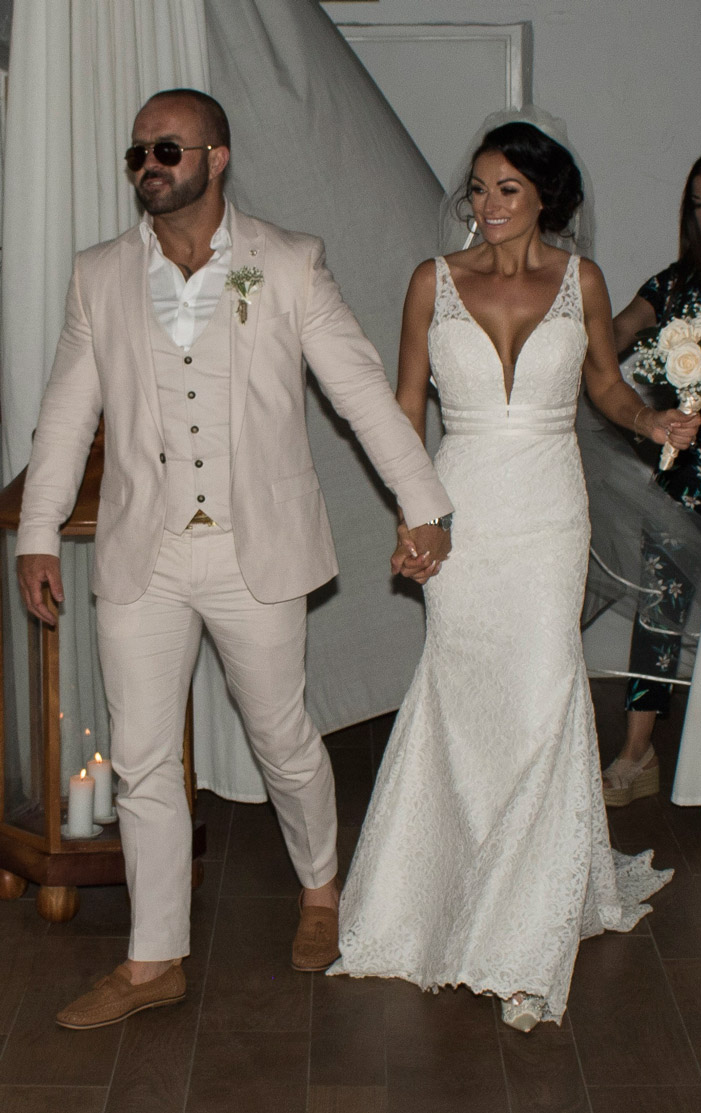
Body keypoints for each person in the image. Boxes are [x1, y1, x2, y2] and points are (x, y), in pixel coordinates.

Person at [15, 88, 453, 1029]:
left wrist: (424, 506)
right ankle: (152, 957)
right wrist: (38, 532)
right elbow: (65, 414)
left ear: (217, 156)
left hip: (256, 546)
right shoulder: (99, 275)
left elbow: (363, 394)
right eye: (136, 155)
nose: (149, 168)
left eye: (166, 149)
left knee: (281, 739)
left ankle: (321, 888)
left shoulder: (288, 264)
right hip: (146, 548)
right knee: (139, 761)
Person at [329, 118, 699, 1031]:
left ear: (546, 199)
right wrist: (417, 515)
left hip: (545, 513)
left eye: (507, 191)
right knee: (461, 689)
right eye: (480, 188)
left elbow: (604, 387)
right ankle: (445, 879)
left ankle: (523, 911)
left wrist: (650, 424)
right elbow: (404, 409)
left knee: (541, 691)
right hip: (462, 506)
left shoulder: (581, 281)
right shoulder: (432, 281)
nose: (486, 206)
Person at [601, 148, 701, 807]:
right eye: (696, 203)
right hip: (684, 475)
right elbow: (619, 328)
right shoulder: (671, 284)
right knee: (658, 603)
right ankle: (636, 750)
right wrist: (585, 342)